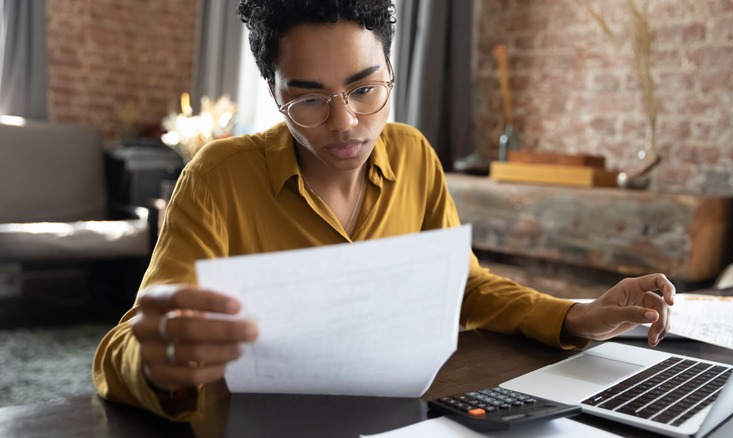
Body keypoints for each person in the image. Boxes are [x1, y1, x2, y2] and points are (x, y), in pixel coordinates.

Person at [93, 0, 675, 421]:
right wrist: (155, 363)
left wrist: (575, 315)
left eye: (366, 88)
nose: (346, 122)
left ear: (390, 72)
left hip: (403, 414)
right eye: (310, 98)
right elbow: (125, 343)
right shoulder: (218, 178)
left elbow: (465, 288)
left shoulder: (414, 155)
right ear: (274, 94)